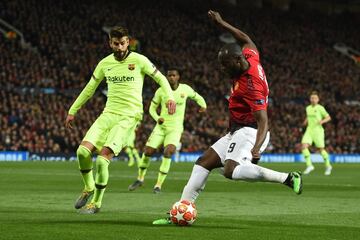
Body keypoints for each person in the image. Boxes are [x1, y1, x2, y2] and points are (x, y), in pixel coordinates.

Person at [153, 10, 302, 224]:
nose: (222, 69)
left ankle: (287, 178)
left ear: (236, 60)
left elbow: (263, 121)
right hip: (237, 130)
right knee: (204, 162)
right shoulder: (249, 56)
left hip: (251, 131)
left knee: (231, 171)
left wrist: (256, 148)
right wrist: (222, 23)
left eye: (225, 65)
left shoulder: (252, 85)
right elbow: (247, 39)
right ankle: (179, 212)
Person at [65, 26, 176, 214]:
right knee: (82, 152)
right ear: (110, 43)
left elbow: (162, 79)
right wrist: (72, 110)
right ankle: (89, 187)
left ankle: (96, 204)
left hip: (129, 116)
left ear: (128, 42)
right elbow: (89, 88)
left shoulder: (139, 60)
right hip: (108, 113)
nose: (119, 47)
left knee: (101, 161)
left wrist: (170, 97)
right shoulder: (104, 63)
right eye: (115, 43)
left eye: (123, 43)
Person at [128, 68, 207, 193]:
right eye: (169, 75)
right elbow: (151, 109)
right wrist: (157, 118)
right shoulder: (161, 91)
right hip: (161, 127)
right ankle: (140, 178)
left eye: (173, 75)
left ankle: (158, 185)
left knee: (168, 152)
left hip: (175, 129)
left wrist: (203, 105)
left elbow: (197, 97)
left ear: (178, 77)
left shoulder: (185, 89)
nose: (171, 77)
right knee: (148, 151)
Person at [301, 91, 332, 175]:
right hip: (309, 130)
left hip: (318, 130)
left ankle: (328, 166)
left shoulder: (320, 108)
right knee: (304, 146)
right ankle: (309, 165)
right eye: (312, 98)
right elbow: (308, 117)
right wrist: (305, 122)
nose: (313, 99)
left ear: (318, 100)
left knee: (321, 149)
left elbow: (328, 117)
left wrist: (322, 121)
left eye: (315, 98)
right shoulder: (308, 108)